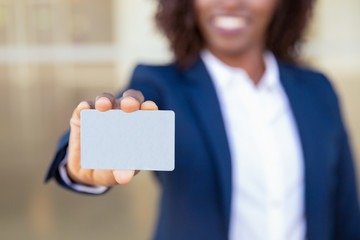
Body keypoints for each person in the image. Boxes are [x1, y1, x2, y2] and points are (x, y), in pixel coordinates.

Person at [45, 0, 360, 239]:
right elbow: (107, 135)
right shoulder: (163, 86)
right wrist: (85, 163)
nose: (232, 2)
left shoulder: (317, 90)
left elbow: (346, 210)